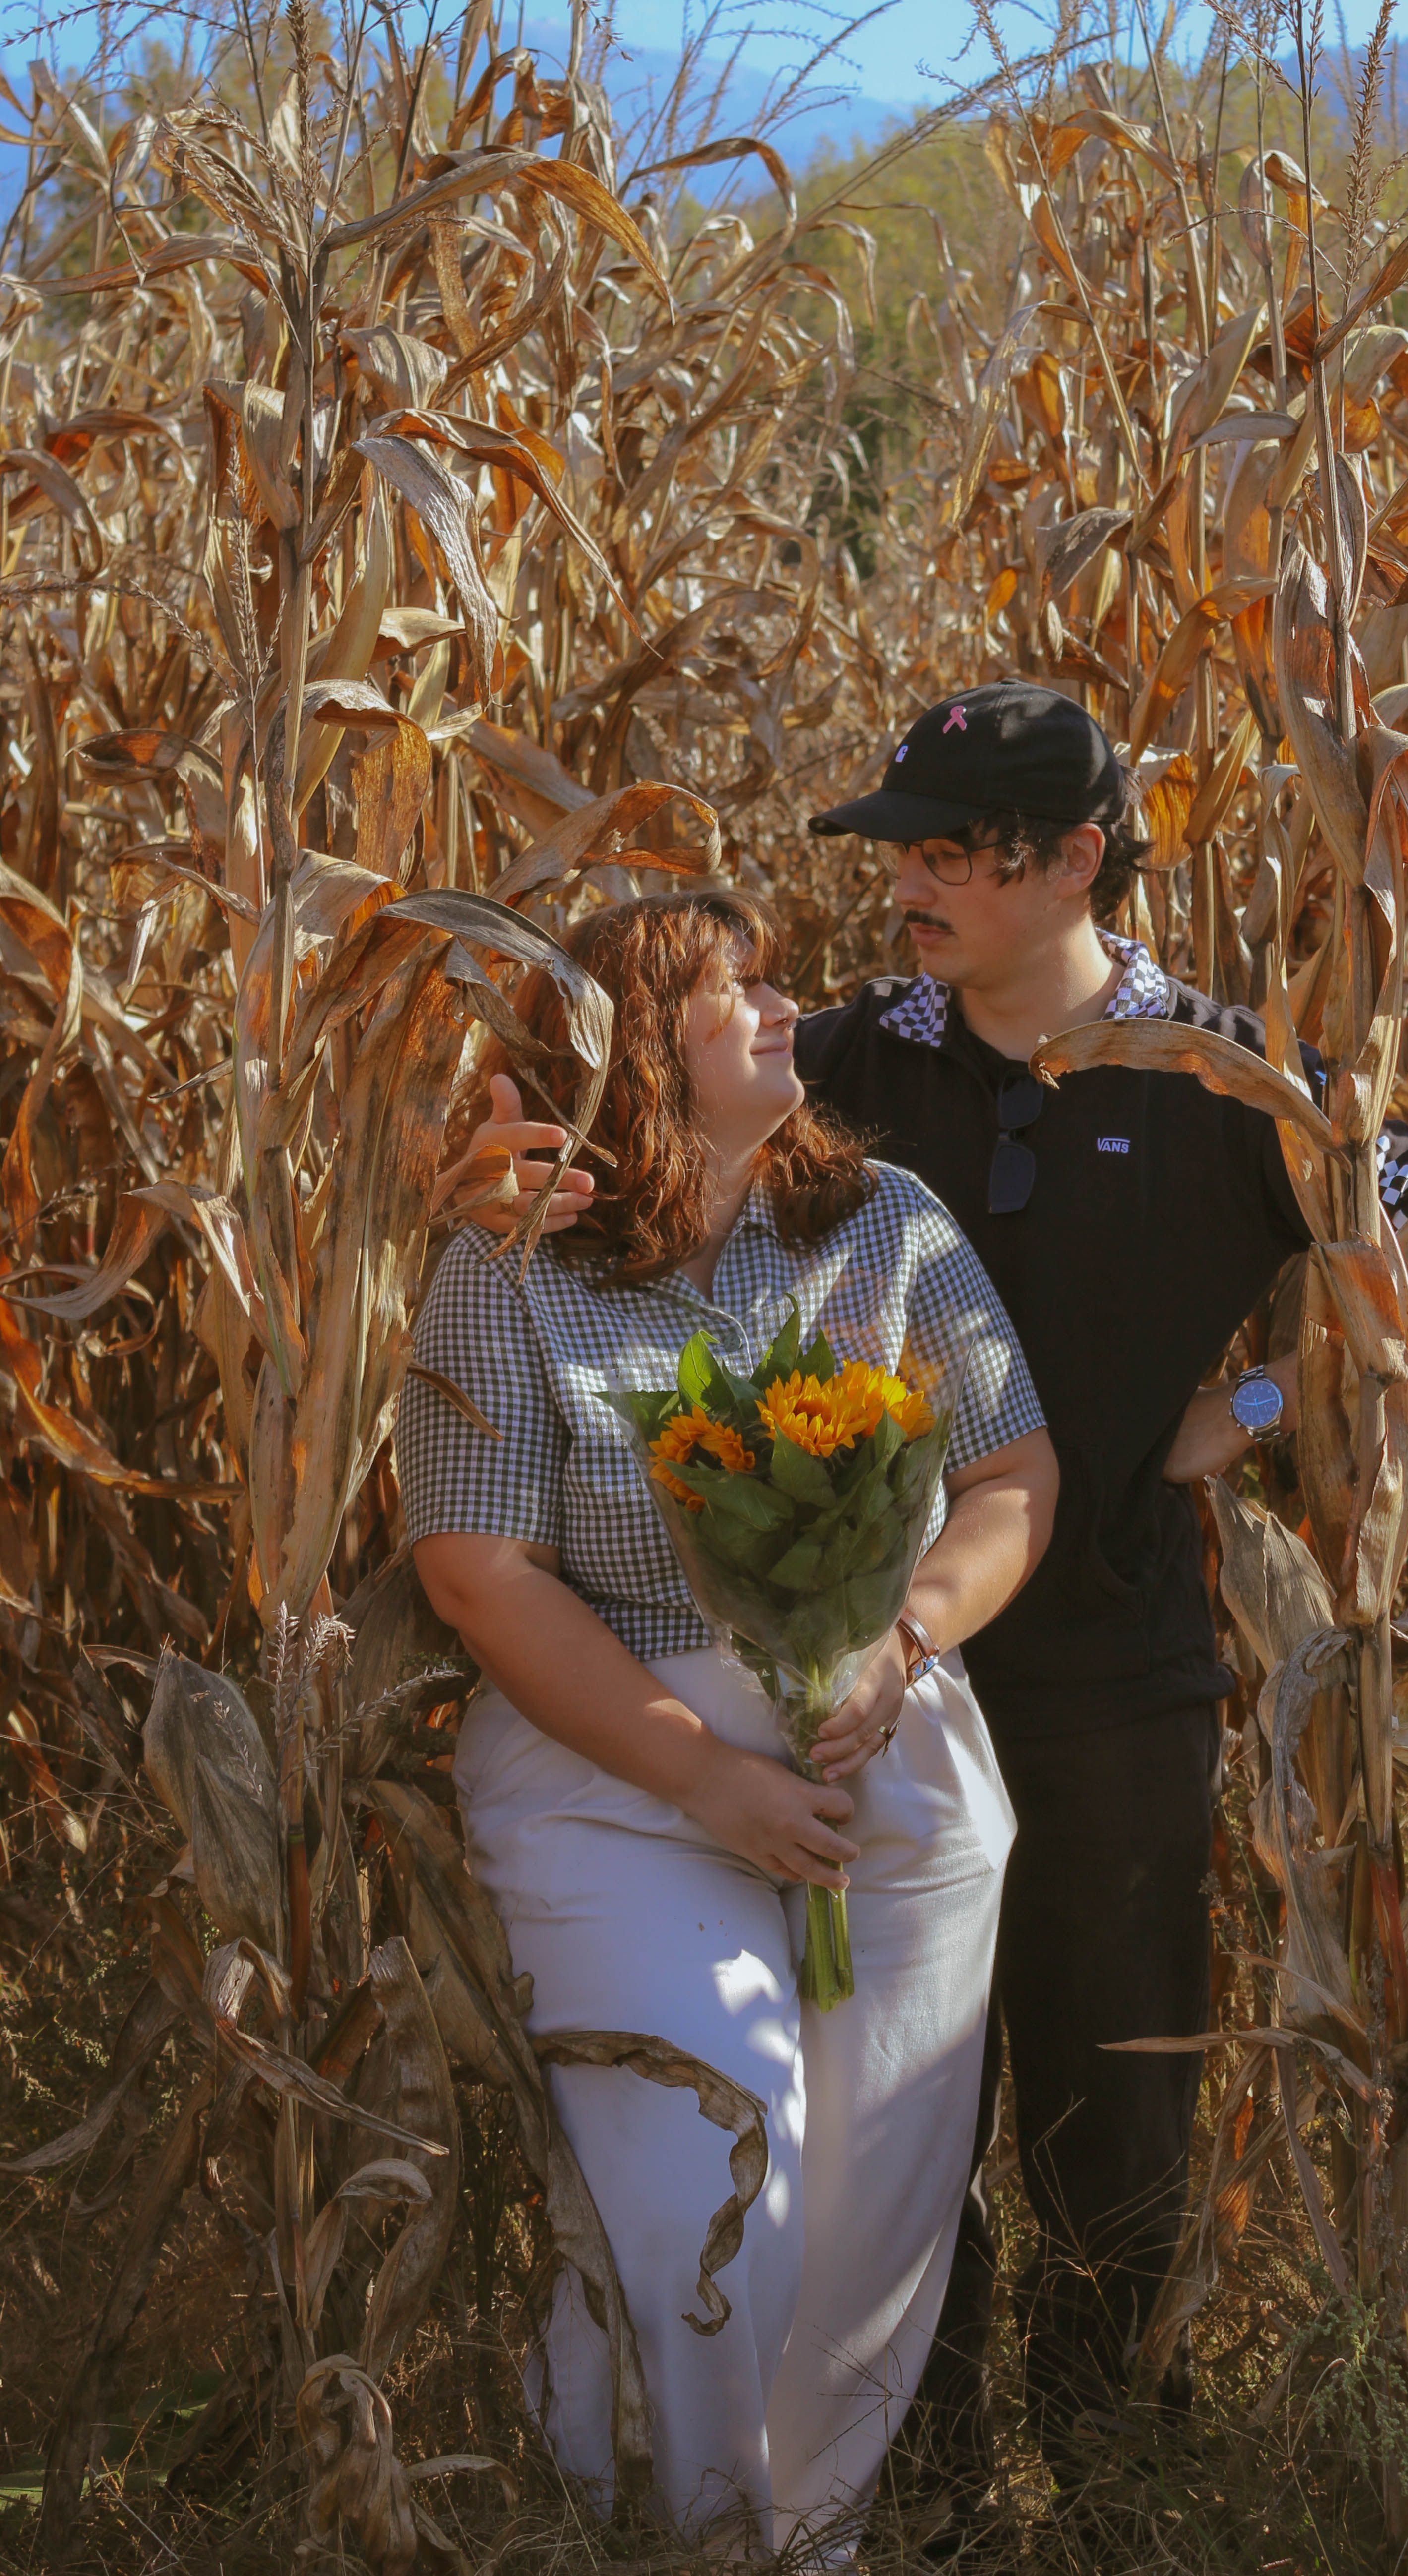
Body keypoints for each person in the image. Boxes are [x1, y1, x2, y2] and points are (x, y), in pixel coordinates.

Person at [454, 683, 1408, 2499]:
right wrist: (483, 1177)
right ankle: (916, 2491)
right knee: (890, 2134)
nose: (914, 888)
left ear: (1075, 863)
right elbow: (611, 1130)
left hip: (1110, 1666)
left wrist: (1250, 1405)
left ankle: (1113, 2477)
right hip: (836, 1693)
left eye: (957, 855)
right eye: (908, 853)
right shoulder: (865, 1047)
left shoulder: (1230, 1077)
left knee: (1108, 2121)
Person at [399, 888, 1058, 2550]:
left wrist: (899, 1637)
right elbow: (479, 1571)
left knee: (866, 2215)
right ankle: (673, 2525)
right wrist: (706, 1774)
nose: (781, 1005)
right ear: (634, 1046)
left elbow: (1012, 1475)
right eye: (730, 988)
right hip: (616, 1770)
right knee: (707, 2179)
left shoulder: (884, 1222)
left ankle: (810, 2534)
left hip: (877, 1746)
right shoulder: (513, 1262)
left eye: (772, 977)